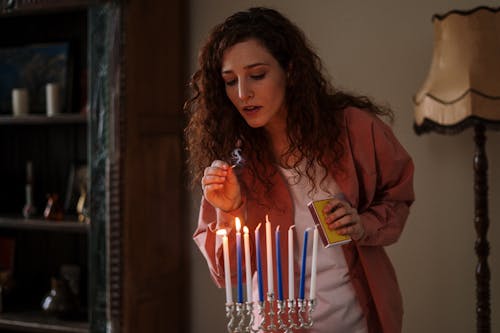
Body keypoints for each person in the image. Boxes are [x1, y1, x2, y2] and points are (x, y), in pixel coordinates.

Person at [185, 7, 414, 333]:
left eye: (257, 75)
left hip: (354, 322)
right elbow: (227, 274)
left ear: (290, 71)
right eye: (229, 81)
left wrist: (362, 225)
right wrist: (230, 210)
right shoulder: (233, 160)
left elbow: (398, 198)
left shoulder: (356, 131)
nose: (242, 93)